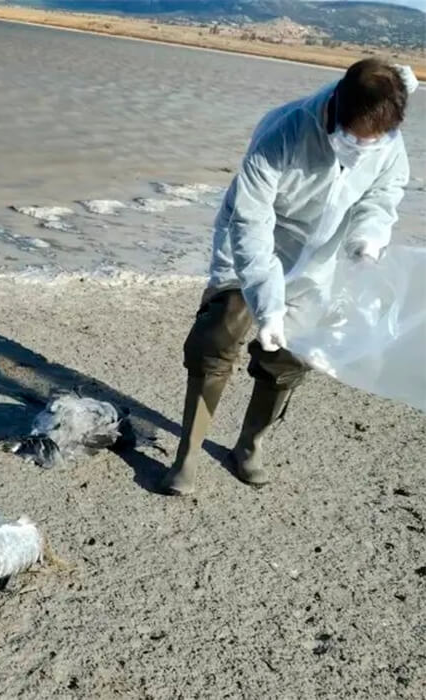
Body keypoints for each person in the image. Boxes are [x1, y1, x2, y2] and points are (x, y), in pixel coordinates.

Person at [161, 58, 417, 496]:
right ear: (336, 108)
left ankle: (249, 445)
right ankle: (188, 452)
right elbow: (251, 222)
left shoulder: (386, 139)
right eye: (352, 138)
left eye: (370, 142)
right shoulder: (284, 130)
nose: (360, 147)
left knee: (290, 355)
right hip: (255, 242)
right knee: (217, 334)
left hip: (320, 255)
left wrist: (368, 236)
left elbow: (383, 193)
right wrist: (267, 300)